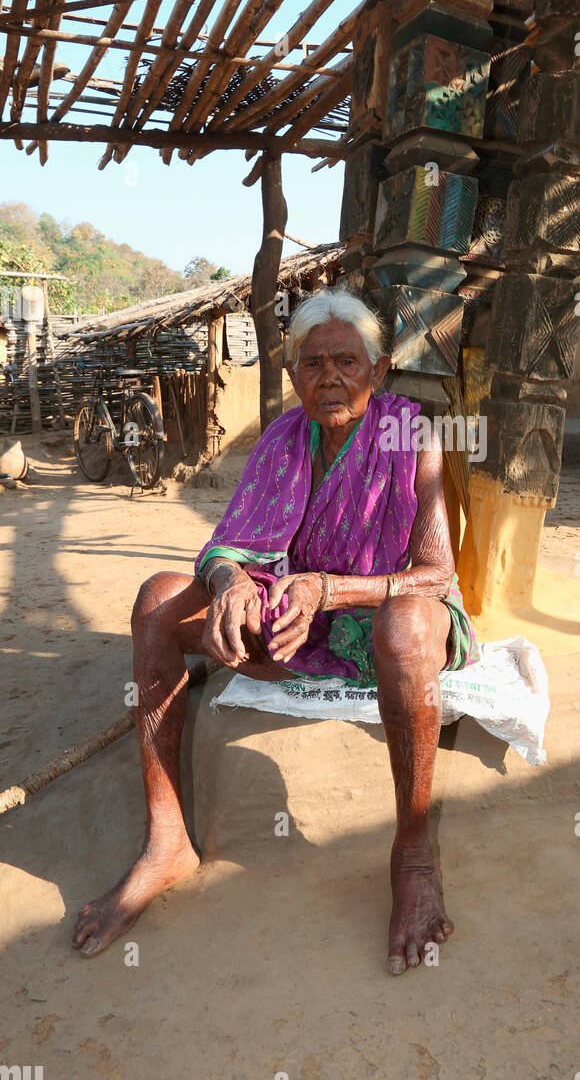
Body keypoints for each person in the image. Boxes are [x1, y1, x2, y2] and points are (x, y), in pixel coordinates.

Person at [73, 288, 479, 975]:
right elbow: (228, 546)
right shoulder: (283, 437)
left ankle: (413, 854)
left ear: (378, 372)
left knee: (407, 630)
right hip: (293, 620)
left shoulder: (412, 435)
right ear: (293, 374)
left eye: (347, 361)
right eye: (313, 363)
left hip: (384, 610)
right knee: (159, 598)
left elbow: (436, 574)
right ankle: (166, 841)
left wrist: (332, 588)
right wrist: (230, 583)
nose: (330, 377)